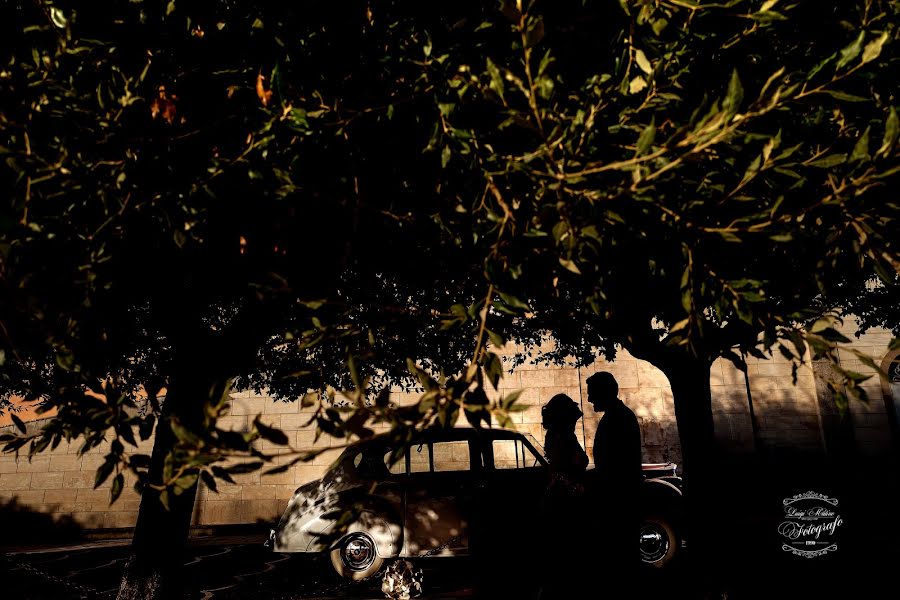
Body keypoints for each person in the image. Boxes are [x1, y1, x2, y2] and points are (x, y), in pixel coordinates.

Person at [585, 371, 643, 581]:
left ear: (604, 392)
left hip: (619, 502)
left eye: (592, 393)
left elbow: (615, 466)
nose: (589, 399)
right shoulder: (618, 416)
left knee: (621, 559)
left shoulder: (618, 419)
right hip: (620, 499)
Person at [538, 393, 589, 600]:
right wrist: (575, 487)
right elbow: (559, 469)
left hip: (559, 500)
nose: (576, 423)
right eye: (573, 420)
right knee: (565, 551)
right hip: (564, 502)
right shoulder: (562, 437)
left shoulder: (558, 435)